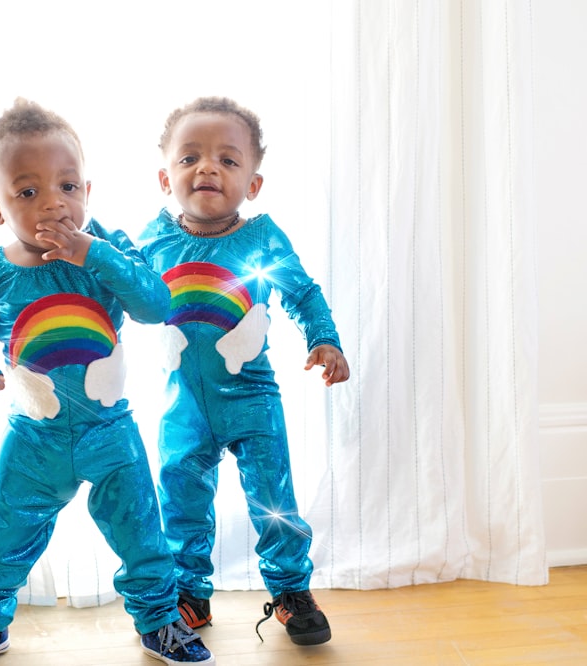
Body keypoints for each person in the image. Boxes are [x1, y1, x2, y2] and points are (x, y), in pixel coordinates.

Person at [0, 99, 214, 666]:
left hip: (110, 433)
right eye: (28, 193)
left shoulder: (107, 248)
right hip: (34, 439)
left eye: (68, 186)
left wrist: (96, 255)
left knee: (141, 532)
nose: (54, 202)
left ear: (87, 191)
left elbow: (156, 304)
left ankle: (159, 620)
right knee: (6, 531)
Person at [136, 96, 350, 647]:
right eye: (190, 158)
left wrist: (324, 339)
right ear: (166, 176)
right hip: (182, 401)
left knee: (271, 496)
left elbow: (302, 292)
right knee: (180, 494)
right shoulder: (151, 241)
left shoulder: (262, 238)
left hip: (252, 399)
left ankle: (290, 590)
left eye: (228, 160)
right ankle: (189, 592)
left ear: (252, 185)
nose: (207, 167)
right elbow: (117, 292)